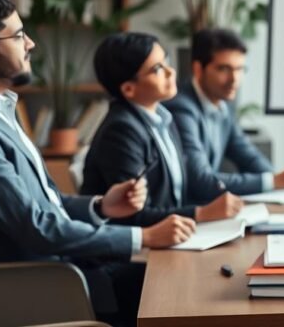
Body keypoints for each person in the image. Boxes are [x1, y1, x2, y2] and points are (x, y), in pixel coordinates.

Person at [0, 0, 195, 327]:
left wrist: (102, 206)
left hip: (68, 267)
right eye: (18, 36)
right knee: (180, 295)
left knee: (181, 280)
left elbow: (47, 205)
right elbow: (39, 228)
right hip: (44, 285)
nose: (30, 44)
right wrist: (143, 237)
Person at [81, 32, 244, 227]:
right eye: (157, 69)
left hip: (170, 238)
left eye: (166, 62)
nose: (171, 72)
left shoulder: (163, 117)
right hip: (132, 251)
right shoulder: (121, 131)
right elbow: (133, 216)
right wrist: (201, 213)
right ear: (129, 89)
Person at [164, 28, 284, 195]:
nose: (234, 79)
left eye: (239, 69)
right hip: (189, 215)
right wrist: (275, 181)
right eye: (224, 69)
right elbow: (200, 180)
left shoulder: (222, 102)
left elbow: (246, 154)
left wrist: (282, 181)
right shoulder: (181, 109)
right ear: (198, 69)